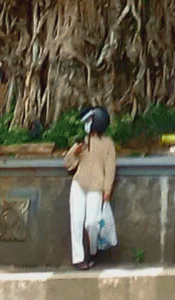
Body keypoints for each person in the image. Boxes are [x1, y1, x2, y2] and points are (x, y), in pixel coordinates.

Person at [64, 106, 117, 269]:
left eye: (89, 121)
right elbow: (68, 164)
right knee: (76, 221)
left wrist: (107, 190)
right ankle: (78, 258)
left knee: (92, 223)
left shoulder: (108, 144)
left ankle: (93, 251)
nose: (86, 124)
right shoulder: (82, 140)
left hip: (96, 187)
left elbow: (110, 168)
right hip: (78, 184)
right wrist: (76, 151)